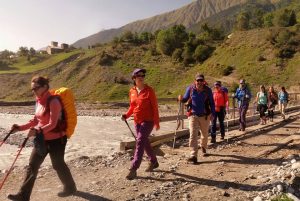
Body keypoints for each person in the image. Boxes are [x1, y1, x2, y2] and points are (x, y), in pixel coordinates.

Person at [7, 76, 76, 201]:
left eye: (36, 88)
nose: (33, 91)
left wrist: (38, 130)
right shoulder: (38, 100)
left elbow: (53, 123)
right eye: (32, 89)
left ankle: (70, 187)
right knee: (32, 166)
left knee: (58, 164)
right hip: (41, 139)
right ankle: (23, 196)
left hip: (57, 140)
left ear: (45, 87)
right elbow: (35, 120)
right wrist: (19, 128)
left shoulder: (54, 101)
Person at [121, 68, 160, 180]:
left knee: (140, 141)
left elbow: (155, 107)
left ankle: (134, 168)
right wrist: (126, 115)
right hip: (137, 121)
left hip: (148, 121)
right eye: (139, 76)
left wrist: (156, 122)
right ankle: (153, 161)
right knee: (145, 141)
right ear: (134, 78)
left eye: (143, 75)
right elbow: (132, 106)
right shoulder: (132, 91)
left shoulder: (149, 90)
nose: (141, 77)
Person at [178, 74, 215, 164]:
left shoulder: (207, 90)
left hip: (205, 115)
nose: (199, 82)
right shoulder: (190, 89)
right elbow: (185, 99)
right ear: (195, 81)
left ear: (203, 81)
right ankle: (193, 155)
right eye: (198, 81)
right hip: (193, 115)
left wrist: (213, 114)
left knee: (204, 134)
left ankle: (203, 146)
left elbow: (212, 103)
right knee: (193, 135)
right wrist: (181, 99)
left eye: (201, 80)